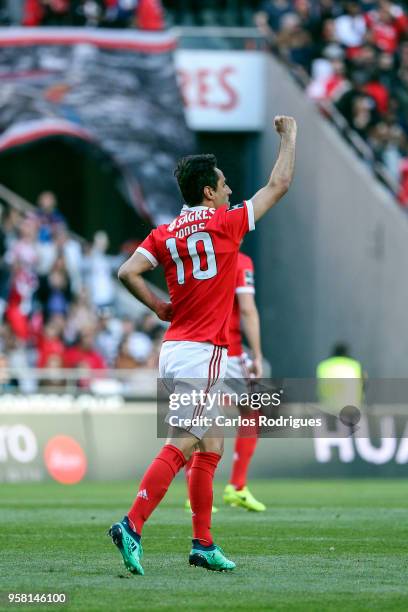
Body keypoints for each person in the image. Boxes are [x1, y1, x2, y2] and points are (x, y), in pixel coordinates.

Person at [109, 115, 297, 575]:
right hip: (203, 351)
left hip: (173, 349)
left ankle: (203, 544)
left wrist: (157, 305)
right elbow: (280, 184)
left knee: (211, 441)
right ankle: (132, 523)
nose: (231, 191)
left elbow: (127, 271)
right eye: (225, 185)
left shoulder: (166, 232)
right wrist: (290, 136)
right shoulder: (225, 224)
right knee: (185, 441)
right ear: (209, 192)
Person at [183, 249, 266, 512]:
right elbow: (248, 310)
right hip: (227, 351)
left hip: (191, 349)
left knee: (194, 420)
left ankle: (191, 494)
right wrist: (258, 355)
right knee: (253, 409)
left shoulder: (195, 256)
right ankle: (237, 486)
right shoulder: (241, 261)